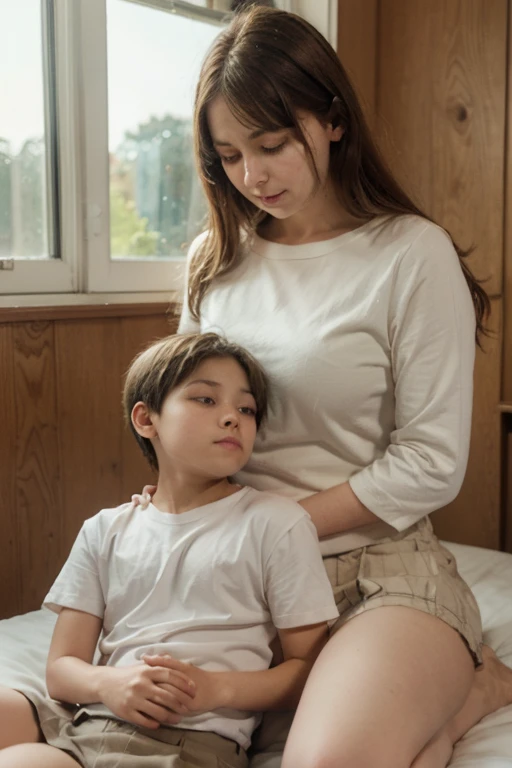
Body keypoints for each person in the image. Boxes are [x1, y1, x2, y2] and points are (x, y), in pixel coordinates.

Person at [132, 5, 512, 768]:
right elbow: (190, 419)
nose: (252, 176)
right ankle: (464, 701)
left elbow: (432, 461)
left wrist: (269, 530)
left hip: (374, 574)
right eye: (229, 155)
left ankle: (468, 684)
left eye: (271, 144)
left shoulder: (410, 253)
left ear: (333, 120)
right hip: (235, 579)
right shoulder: (216, 259)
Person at [0, 332, 339, 768]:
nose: (232, 417)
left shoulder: (276, 522)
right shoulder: (106, 529)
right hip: (85, 725)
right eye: (205, 400)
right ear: (147, 420)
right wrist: (110, 686)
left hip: (187, 743)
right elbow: (61, 668)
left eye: (246, 408)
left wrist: (217, 689)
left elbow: (309, 667)